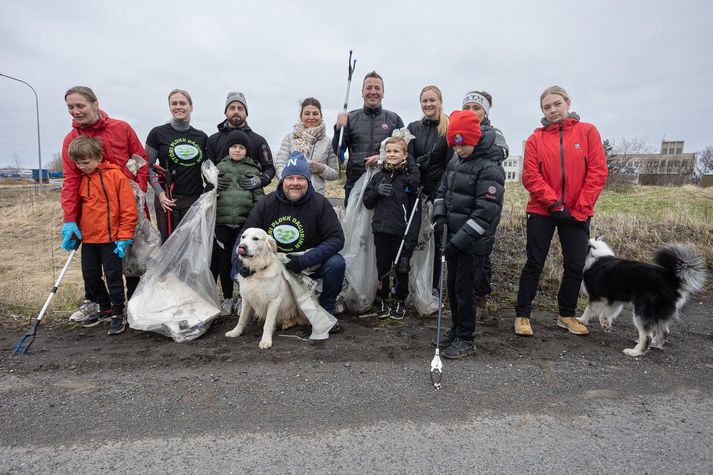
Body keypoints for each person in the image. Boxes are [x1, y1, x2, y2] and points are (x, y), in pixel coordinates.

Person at [514, 85, 608, 337]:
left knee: (575, 265)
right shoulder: (535, 139)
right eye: (547, 106)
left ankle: (566, 315)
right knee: (534, 262)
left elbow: (597, 172)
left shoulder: (588, 132)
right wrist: (555, 204)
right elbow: (530, 176)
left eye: (557, 104)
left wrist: (580, 208)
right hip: (543, 210)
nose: (553, 110)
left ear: (567, 102)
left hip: (577, 212)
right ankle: (522, 314)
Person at [61, 86, 148, 322]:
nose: (76, 111)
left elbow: (140, 160)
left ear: (95, 104)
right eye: (71, 107)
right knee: (96, 267)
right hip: (94, 214)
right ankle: (102, 305)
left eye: (80, 106)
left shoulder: (121, 128)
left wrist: (138, 190)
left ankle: (135, 306)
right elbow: (70, 182)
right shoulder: (72, 140)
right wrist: (70, 218)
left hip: (129, 206)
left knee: (133, 261)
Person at [236, 151, 345, 318]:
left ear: (308, 181)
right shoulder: (267, 203)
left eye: (301, 178)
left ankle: (326, 308)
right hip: (273, 264)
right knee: (237, 267)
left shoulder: (320, 203)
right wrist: (239, 266)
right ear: (282, 181)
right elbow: (245, 235)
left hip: (307, 262)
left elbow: (336, 239)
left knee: (336, 263)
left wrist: (303, 260)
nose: (295, 183)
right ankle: (253, 306)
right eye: (290, 178)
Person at [432, 110, 505, 359]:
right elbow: (442, 190)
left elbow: (486, 212)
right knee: (452, 288)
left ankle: (466, 338)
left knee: (465, 291)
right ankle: (455, 329)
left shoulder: (490, 168)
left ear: (475, 139)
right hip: (452, 237)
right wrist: (439, 218)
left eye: (464, 144)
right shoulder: (456, 159)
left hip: (472, 243)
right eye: (455, 145)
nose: (459, 149)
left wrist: (459, 241)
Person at [64, 136, 137, 335]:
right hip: (88, 239)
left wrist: (124, 236)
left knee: (113, 276)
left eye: (85, 162)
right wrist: (72, 230)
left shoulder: (116, 177)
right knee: (90, 276)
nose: (81, 167)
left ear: (98, 157)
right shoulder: (81, 179)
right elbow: (78, 208)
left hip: (111, 238)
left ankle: (118, 312)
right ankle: (104, 307)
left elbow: (128, 209)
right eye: (77, 163)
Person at [462, 90, 509, 326]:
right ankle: (462, 297)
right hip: (462, 197)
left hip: (486, 198)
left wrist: (473, 142)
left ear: (485, 112)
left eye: (476, 108)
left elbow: (501, 151)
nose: (471, 112)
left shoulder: (495, 134)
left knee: (481, 250)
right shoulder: (458, 129)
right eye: (467, 108)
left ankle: (479, 298)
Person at [363, 135, 421, 320]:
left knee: (402, 268)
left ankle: (399, 299)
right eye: (388, 151)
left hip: (402, 233)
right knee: (382, 268)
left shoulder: (409, 180)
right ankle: (382, 299)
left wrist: (411, 239)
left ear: (405, 155)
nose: (392, 154)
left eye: (396, 151)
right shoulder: (378, 176)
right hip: (381, 231)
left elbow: (415, 212)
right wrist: (376, 191)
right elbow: (367, 202)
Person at [212, 129, 265, 316]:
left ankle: (244, 298)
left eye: (241, 147)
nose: (237, 150)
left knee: (243, 263)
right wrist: (213, 186)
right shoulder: (218, 168)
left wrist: (257, 221)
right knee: (224, 262)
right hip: (222, 223)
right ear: (228, 149)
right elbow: (209, 194)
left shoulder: (253, 170)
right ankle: (227, 298)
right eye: (233, 147)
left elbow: (258, 197)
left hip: (244, 226)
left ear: (246, 151)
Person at [333, 71, 404, 206]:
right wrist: (338, 129)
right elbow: (339, 153)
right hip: (354, 185)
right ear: (362, 92)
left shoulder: (394, 119)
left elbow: (403, 152)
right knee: (353, 226)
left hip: (385, 186)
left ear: (383, 92)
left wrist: (381, 158)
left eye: (377, 88)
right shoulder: (350, 118)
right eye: (369, 88)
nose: (373, 92)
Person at [146, 89, 208, 243]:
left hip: (193, 200)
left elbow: (209, 168)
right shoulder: (157, 133)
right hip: (167, 200)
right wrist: (160, 193)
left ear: (191, 107)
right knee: (168, 246)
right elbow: (148, 166)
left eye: (182, 103)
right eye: (174, 103)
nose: (178, 106)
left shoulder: (201, 137)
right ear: (169, 107)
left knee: (190, 247)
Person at [407, 85, 450, 293]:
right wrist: (415, 179)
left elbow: (450, 164)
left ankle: (433, 286)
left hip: (439, 193)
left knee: (437, 240)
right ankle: (413, 283)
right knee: (415, 237)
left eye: (432, 100)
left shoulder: (449, 128)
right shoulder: (414, 128)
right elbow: (410, 157)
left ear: (440, 101)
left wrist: (439, 192)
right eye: (424, 101)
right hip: (417, 191)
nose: (428, 104)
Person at [206, 91, 275, 190]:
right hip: (220, 200)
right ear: (225, 112)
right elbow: (207, 168)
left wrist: (261, 180)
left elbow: (269, 168)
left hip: (251, 200)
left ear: (246, 113)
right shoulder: (213, 140)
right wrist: (212, 180)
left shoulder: (259, 141)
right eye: (232, 108)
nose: (236, 111)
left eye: (240, 108)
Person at [275, 97, 339, 195]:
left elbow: (334, 173)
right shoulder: (289, 138)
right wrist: (290, 181)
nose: (311, 117)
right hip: (291, 194)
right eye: (307, 113)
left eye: (315, 113)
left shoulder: (328, 142)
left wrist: (321, 168)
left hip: (316, 196)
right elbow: (279, 166)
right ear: (301, 116)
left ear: (321, 116)